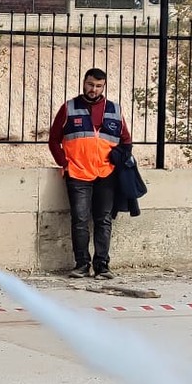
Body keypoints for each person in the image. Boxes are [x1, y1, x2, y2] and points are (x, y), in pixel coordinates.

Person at [49, 67, 131, 279]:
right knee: (80, 219)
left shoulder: (115, 109)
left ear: (103, 86)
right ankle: (82, 265)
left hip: (106, 174)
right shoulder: (69, 108)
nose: (93, 89)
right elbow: (54, 139)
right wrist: (64, 163)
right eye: (90, 85)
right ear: (83, 83)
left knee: (103, 219)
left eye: (98, 86)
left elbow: (126, 141)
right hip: (77, 173)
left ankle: (102, 266)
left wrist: (117, 158)